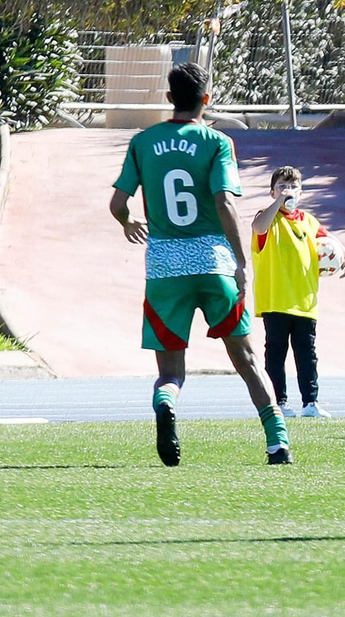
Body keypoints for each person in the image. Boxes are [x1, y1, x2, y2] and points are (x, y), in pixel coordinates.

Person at [108, 62, 292, 467]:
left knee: (171, 371)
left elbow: (118, 204)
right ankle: (277, 442)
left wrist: (128, 222)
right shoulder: (217, 142)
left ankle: (165, 403)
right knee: (246, 360)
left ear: (169, 98)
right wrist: (242, 262)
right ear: (206, 100)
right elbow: (225, 202)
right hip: (213, 262)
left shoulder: (143, 142)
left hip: (164, 268)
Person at [252, 165, 345, 419]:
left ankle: (310, 402)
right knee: (276, 352)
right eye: (282, 187)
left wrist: (344, 255)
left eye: (293, 186)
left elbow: (330, 242)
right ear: (272, 192)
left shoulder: (308, 220)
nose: (288, 191)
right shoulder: (268, 216)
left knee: (307, 353)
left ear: (301, 191)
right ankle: (279, 402)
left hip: (304, 300)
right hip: (276, 299)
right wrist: (279, 204)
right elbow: (259, 228)